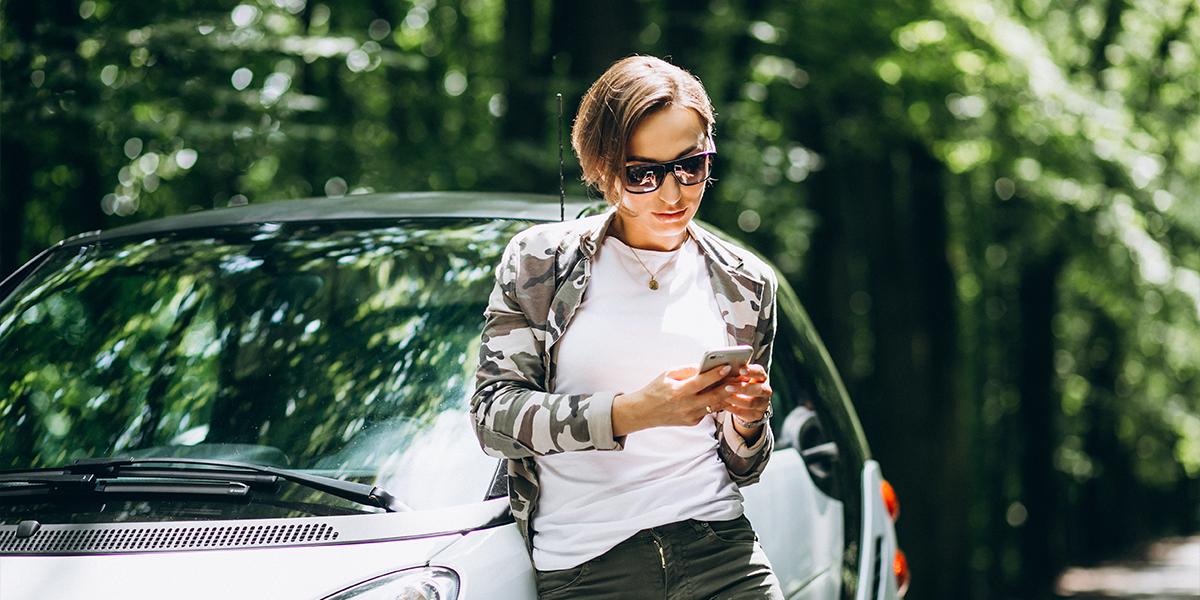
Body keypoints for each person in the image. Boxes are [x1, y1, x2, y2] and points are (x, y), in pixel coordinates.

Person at [471, 55, 782, 599]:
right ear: (604, 168)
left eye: (691, 166)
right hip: (589, 568)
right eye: (643, 173)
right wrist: (633, 412)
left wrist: (747, 423)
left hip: (724, 556)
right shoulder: (540, 262)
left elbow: (744, 465)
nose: (672, 193)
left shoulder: (746, 283)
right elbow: (492, 416)